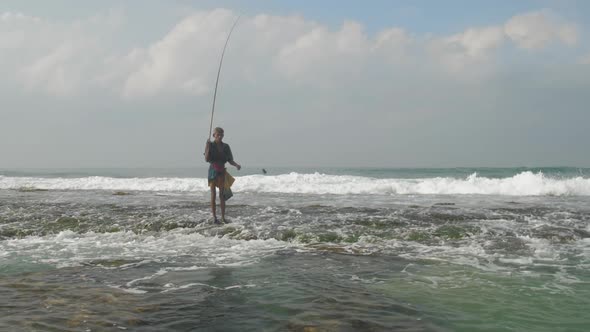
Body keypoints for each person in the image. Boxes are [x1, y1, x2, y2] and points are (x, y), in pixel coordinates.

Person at [204, 127, 241, 223]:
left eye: (221, 134)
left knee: (222, 195)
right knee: (213, 194)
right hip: (213, 171)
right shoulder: (210, 145)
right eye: (218, 134)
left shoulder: (226, 146)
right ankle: (214, 217)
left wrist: (236, 165)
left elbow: (230, 160)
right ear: (214, 135)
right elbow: (206, 159)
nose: (220, 136)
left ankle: (223, 218)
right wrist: (207, 146)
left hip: (221, 172)